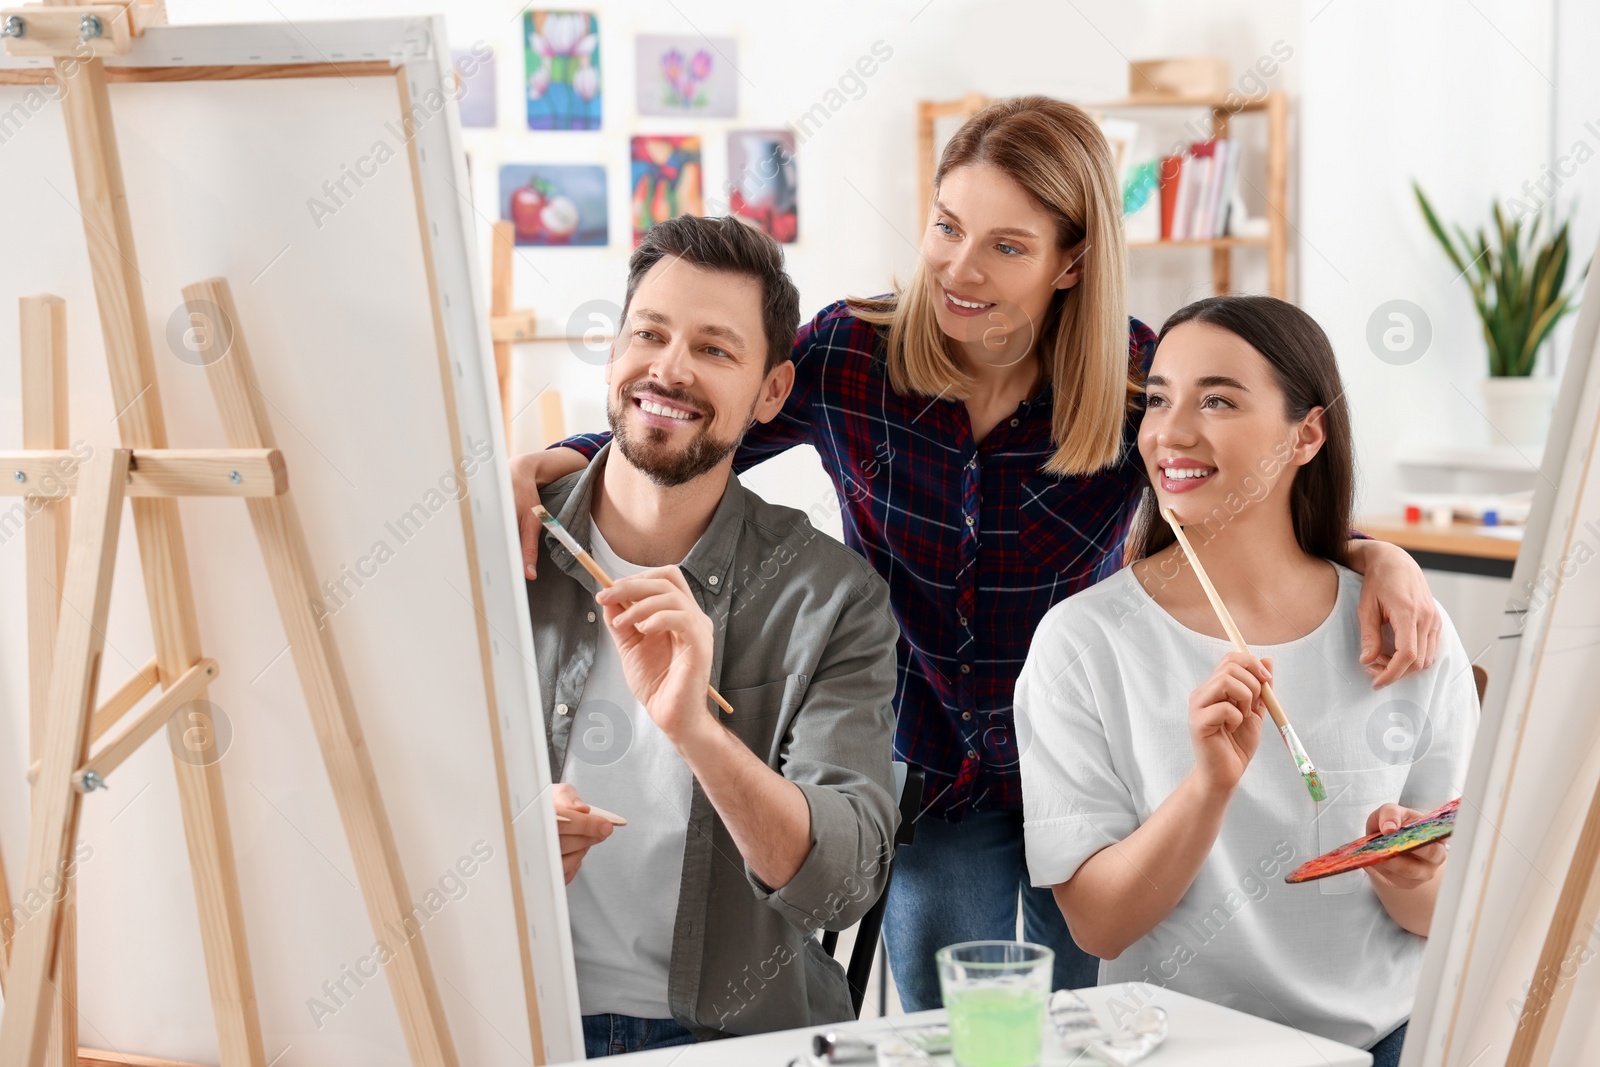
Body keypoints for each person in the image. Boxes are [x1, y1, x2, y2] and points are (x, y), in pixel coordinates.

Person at [512, 96, 1444, 1010]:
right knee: (954, 1034)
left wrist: (1373, 553)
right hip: (928, 775)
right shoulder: (848, 355)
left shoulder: (1131, 381)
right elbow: (693, 418)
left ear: (1072, 260)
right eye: (947, 226)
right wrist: (545, 464)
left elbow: (1238, 486)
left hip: (1091, 766)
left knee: (1086, 1025)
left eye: (1007, 245)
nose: (960, 267)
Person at [1017, 295, 1478, 1067]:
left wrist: (1409, 876)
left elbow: (1450, 912)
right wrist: (1206, 788)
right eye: (1158, 398)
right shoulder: (1082, 644)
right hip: (1170, 1047)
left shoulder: (1405, 629)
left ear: (1307, 433)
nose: (1171, 430)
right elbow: (1098, 926)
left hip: (1383, 1044)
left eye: (1219, 399)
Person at [527, 214, 900, 1055]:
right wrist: (499, 845)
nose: (670, 368)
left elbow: (839, 888)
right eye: (649, 334)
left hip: (736, 1041)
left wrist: (697, 730)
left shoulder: (832, 598)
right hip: (515, 1026)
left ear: (771, 393)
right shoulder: (502, 551)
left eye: (714, 349)